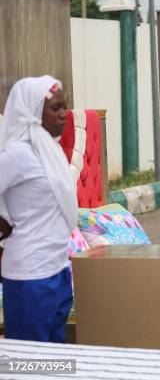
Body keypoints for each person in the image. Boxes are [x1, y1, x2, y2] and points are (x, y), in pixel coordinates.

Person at [0, 75, 78, 342]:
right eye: (55, 108)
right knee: (28, 364)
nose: (64, 114)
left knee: (55, 362)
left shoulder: (50, 150)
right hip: (29, 276)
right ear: (34, 112)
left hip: (57, 270)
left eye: (64, 107)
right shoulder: (19, 153)